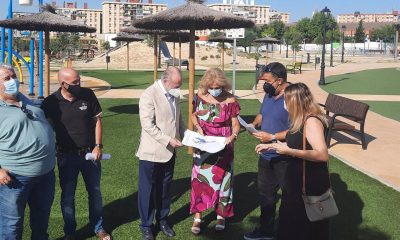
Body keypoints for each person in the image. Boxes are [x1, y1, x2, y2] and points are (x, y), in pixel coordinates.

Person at [41, 68, 111, 240]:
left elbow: (97, 122)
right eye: (74, 83)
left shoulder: (87, 95)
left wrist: (98, 146)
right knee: (67, 196)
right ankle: (70, 232)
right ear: (63, 84)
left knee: (95, 192)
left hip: (90, 155)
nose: (79, 85)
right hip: (66, 156)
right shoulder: (51, 102)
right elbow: (46, 128)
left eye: (79, 80)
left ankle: (98, 227)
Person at [255, 83, 330, 240]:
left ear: (294, 101)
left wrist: (289, 151)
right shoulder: (300, 120)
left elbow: (322, 155)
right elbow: (296, 142)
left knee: (303, 225)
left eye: (286, 100)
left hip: (308, 183)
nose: (284, 103)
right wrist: (274, 146)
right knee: (291, 222)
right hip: (295, 181)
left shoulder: (312, 121)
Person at [0, 64, 56, 240]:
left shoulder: (25, 100)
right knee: (11, 226)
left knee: (41, 221)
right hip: (16, 178)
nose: (13, 81)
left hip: (45, 174)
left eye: (13, 76)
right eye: (7, 78)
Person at [136, 67, 186, 240]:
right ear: (166, 80)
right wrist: (169, 140)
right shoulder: (149, 94)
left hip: (169, 153)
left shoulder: (174, 93)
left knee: (164, 190)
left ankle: (162, 221)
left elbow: (178, 119)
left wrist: (187, 136)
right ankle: (146, 226)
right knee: (147, 191)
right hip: (151, 152)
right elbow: (147, 125)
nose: (178, 88)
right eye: (176, 84)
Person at [190, 68, 240, 235]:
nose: (214, 89)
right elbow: (193, 115)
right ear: (206, 85)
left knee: (224, 182)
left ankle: (221, 215)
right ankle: (198, 216)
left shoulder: (230, 99)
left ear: (223, 84)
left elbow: (235, 125)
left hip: (223, 146)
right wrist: (198, 128)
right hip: (203, 144)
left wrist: (232, 136)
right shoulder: (200, 96)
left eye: (217, 86)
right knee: (199, 181)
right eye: (211, 86)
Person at [244, 62, 291, 240]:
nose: (264, 84)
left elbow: (298, 129)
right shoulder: (269, 94)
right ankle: (266, 231)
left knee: (289, 198)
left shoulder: (292, 97)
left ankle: (287, 231)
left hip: (285, 156)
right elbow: (262, 114)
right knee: (266, 196)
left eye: (268, 80)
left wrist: (272, 137)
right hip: (266, 155)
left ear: (279, 81)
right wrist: (253, 124)